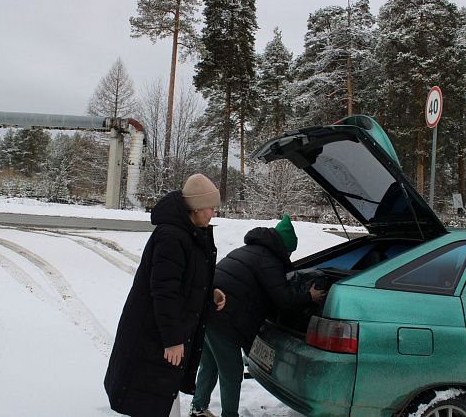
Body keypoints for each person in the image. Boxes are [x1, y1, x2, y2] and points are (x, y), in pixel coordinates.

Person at [104, 173, 226, 417]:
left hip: (163, 333)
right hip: (154, 336)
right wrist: (172, 340)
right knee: (152, 398)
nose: (213, 213)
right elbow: (165, 292)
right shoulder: (172, 237)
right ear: (195, 208)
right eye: (210, 208)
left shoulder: (189, 233)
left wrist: (208, 295)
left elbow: (184, 282)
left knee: (162, 398)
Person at [189, 215, 327, 417]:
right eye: (289, 251)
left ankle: (198, 408)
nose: (289, 255)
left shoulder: (251, 250)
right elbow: (284, 299)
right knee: (232, 371)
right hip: (223, 316)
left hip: (208, 310)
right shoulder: (268, 261)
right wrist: (309, 295)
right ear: (284, 247)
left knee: (209, 364)